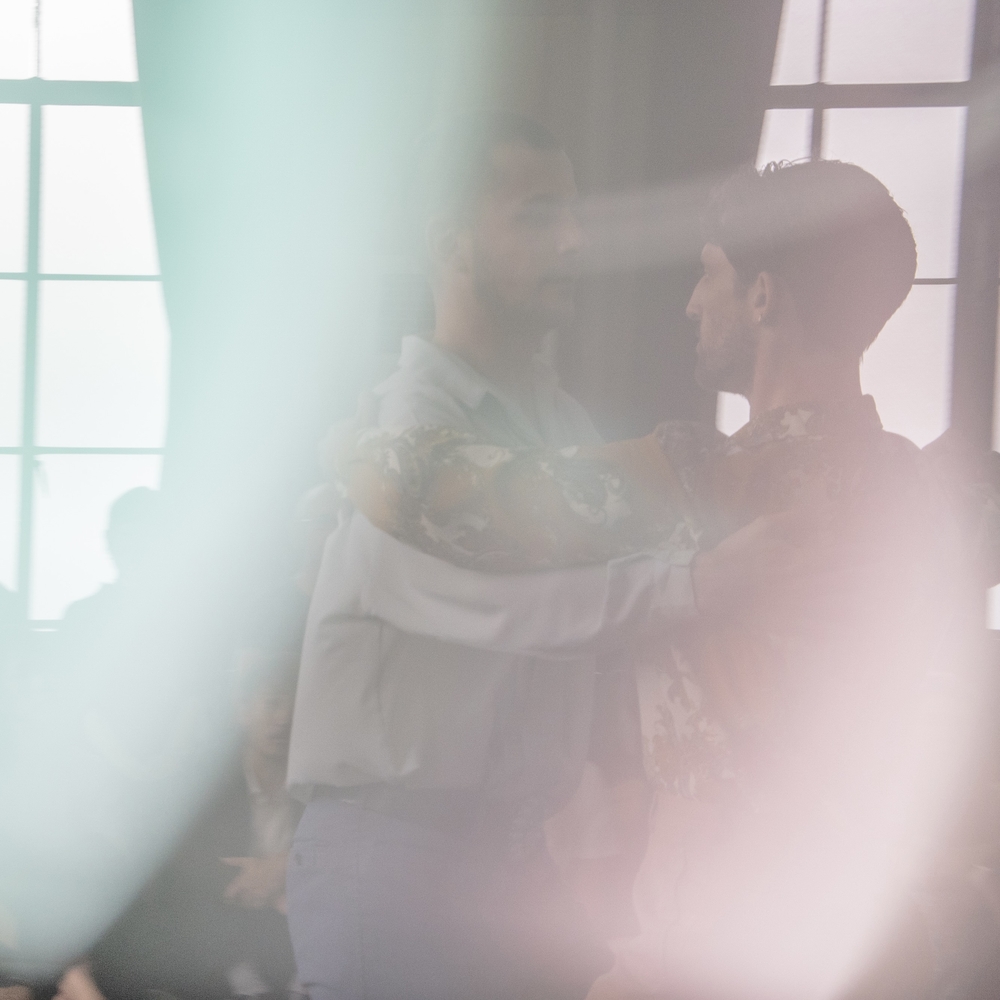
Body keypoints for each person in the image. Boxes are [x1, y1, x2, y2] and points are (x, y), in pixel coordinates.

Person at [332, 160, 993, 999]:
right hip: (885, 937)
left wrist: (346, 447)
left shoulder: (704, 482)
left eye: (709, 274)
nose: (690, 303)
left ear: (763, 297)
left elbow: (432, 491)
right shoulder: (924, 491)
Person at [286, 116, 818, 1000]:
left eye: (573, 214)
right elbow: (503, 605)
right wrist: (700, 586)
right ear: (450, 244)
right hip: (392, 857)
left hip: (514, 856)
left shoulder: (562, 425)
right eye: (537, 217)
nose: (573, 240)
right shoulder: (397, 429)